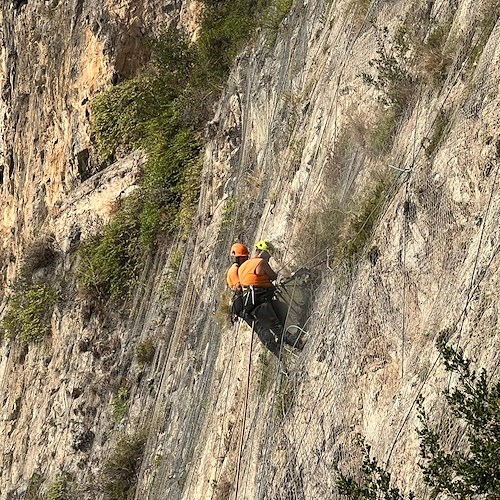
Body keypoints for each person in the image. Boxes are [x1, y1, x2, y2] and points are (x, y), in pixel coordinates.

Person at [238, 240, 303, 357]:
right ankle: (298, 344)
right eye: (267, 256)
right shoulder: (261, 262)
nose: (268, 259)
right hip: (261, 301)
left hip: (250, 305)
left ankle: (284, 350)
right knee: (277, 326)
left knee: (273, 324)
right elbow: (273, 276)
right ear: (263, 253)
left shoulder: (242, 268)